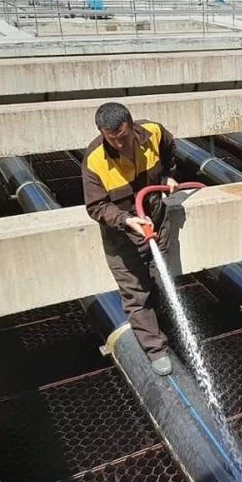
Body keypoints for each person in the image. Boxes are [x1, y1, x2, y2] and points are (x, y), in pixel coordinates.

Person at [82, 102, 178, 376]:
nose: (119, 143)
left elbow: (171, 149)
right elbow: (96, 206)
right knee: (136, 293)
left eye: (123, 136)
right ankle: (155, 349)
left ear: (132, 125)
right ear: (102, 133)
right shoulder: (95, 159)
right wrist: (126, 220)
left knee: (161, 278)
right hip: (122, 237)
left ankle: (165, 326)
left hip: (157, 223)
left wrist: (170, 174)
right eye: (112, 138)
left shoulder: (154, 132)